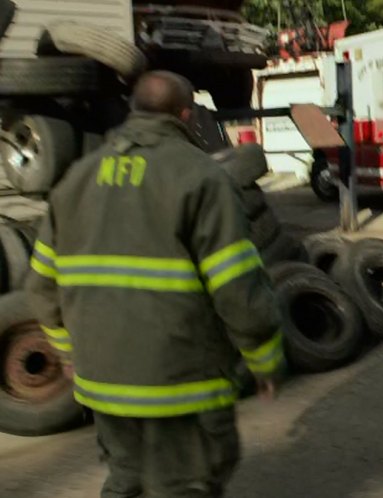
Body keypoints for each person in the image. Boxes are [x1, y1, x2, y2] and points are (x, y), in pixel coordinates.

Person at [26, 71, 284, 498]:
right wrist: (265, 360)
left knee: (126, 478)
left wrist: (70, 354)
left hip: (102, 384)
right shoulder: (201, 176)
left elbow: (40, 288)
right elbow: (237, 288)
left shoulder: (74, 179)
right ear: (186, 115)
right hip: (181, 386)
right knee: (187, 485)